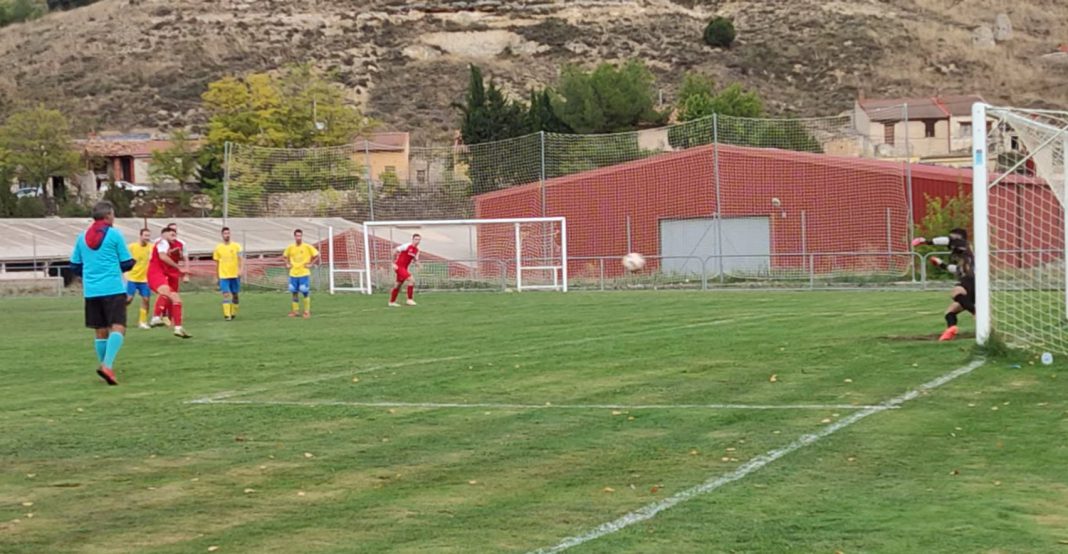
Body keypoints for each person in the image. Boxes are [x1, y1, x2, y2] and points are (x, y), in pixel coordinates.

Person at [70, 201, 134, 385]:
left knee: (100, 330)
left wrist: (91, 273)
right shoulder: (114, 235)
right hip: (113, 287)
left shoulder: (81, 237)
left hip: (91, 290)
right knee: (118, 326)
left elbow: (74, 265)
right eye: (113, 215)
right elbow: (127, 263)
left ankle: (106, 366)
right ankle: (107, 365)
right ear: (107, 216)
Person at [913, 228, 975, 341]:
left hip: (972, 280)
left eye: (952, 237)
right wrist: (940, 264)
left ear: (958, 237)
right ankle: (951, 329)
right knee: (949, 312)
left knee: (956, 292)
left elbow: (946, 240)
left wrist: (926, 241)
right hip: (970, 283)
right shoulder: (963, 254)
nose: (950, 239)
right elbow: (955, 269)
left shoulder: (963, 244)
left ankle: (976, 312)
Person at [148, 226, 192, 338]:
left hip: (162, 274)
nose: (174, 237)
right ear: (164, 234)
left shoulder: (170, 244)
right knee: (166, 291)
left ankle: (178, 328)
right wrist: (179, 267)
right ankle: (156, 317)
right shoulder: (163, 242)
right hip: (155, 273)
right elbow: (162, 257)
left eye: (175, 235)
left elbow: (172, 255)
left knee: (176, 299)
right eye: (172, 235)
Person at [283, 229, 319, 319]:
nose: (298, 237)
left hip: (304, 273)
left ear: (302, 236)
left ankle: (307, 311)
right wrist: (287, 263)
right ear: (294, 236)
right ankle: (295, 311)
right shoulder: (290, 247)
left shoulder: (307, 247)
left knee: (304, 291)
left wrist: (311, 263)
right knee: (294, 292)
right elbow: (284, 256)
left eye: (300, 236)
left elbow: (317, 255)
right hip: (293, 273)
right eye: (297, 236)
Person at [212, 226, 243, 321]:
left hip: (234, 274)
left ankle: (233, 313)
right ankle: (227, 315)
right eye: (225, 233)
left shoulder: (237, 246)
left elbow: (241, 259)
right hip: (223, 275)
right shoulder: (218, 248)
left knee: (235, 295)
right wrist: (216, 276)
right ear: (222, 235)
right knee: (225, 294)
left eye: (228, 233)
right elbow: (216, 263)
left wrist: (240, 270)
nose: (227, 235)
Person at [125, 228, 153, 330]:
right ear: (140, 236)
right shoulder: (132, 247)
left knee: (146, 299)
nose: (147, 238)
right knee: (128, 299)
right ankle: (119, 318)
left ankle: (142, 322)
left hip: (145, 279)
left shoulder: (151, 247)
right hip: (132, 277)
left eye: (149, 236)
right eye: (145, 235)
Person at [389, 233, 421, 307]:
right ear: (412, 239)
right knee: (411, 280)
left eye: (419, 240)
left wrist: (418, 265)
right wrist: (393, 263)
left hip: (404, 268)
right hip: (399, 267)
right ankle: (409, 300)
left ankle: (391, 302)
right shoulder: (406, 246)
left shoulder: (417, 250)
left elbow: (415, 259)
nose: (417, 241)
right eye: (416, 239)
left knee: (398, 285)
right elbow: (394, 251)